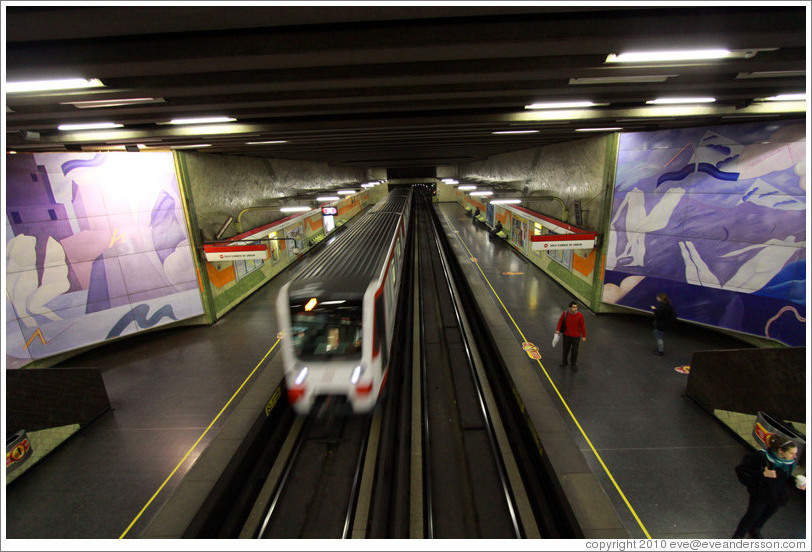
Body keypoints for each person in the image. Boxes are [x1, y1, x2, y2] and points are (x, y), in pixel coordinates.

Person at [733, 436, 806, 538]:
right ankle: (738, 537)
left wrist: (797, 482)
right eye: (791, 453)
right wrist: (763, 473)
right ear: (780, 451)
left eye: (795, 453)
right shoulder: (761, 457)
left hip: (778, 492)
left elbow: (784, 477)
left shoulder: (788, 462)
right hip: (761, 491)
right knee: (752, 515)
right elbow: (742, 470)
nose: (794, 456)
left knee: (766, 514)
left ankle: (755, 529)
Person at [556, 301, 586, 371]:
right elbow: (560, 321)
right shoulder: (565, 314)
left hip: (576, 336)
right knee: (565, 349)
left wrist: (584, 336)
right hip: (567, 335)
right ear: (570, 308)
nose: (575, 309)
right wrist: (558, 329)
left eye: (576, 307)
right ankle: (564, 361)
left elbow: (582, 326)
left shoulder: (580, 315)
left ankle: (573, 364)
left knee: (575, 351)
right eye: (574, 307)